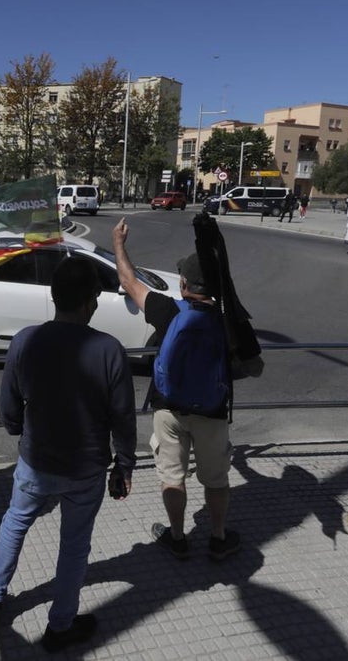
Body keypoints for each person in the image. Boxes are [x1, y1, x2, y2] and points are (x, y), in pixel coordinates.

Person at [0, 257, 135, 653]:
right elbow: (122, 418)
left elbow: (8, 406)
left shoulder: (26, 341)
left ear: (54, 295)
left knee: (15, 521)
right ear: (91, 301)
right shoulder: (109, 350)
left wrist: (18, 430)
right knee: (74, 546)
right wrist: (124, 465)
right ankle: (60, 626)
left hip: (36, 461)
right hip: (87, 468)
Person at [112, 218, 241, 562]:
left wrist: (119, 243)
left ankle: (178, 538)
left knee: (172, 477)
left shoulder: (168, 311)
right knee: (216, 480)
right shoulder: (227, 320)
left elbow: (128, 281)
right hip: (212, 411)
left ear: (183, 284)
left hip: (169, 408)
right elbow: (248, 365)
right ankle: (218, 539)